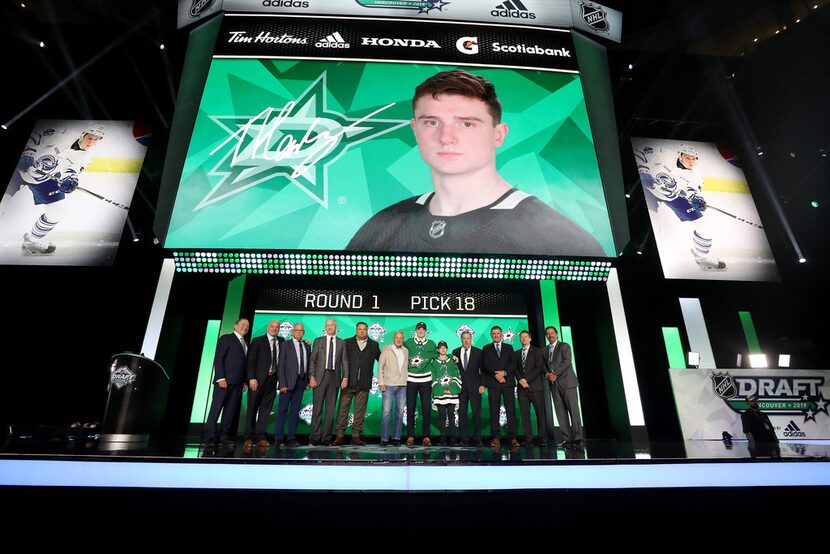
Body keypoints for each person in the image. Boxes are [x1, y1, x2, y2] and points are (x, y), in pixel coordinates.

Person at [347, 69, 603, 256]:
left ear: (498, 134)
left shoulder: (563, 239)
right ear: (415, 130)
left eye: (467, 123)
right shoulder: (382, 226)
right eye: (432, 122)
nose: (446, 138)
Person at [11, 123, 105, 255]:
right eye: (90, 137)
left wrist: (70, 181)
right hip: (18, 168)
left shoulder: (87, 156)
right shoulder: (63, 133)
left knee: (57, 211)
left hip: (45, 179)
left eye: (97, 139)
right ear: (83, 134)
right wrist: (27, 152)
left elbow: (72, 171)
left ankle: (30, 242)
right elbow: (37, 132)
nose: (92, 142)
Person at [636, 142, 727, 271]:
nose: (691, 161)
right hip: (648, 191)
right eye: (687, 158)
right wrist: (642, 169)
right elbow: (639, 150)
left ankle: (701, 258)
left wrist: (697, 200)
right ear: (680, 156)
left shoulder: (696, 175)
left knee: (705, 227)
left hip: (674, 198)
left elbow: (693, 191)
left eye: (694, 158)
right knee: (654, 228)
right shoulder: (662, 154)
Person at [203, 318, 249, 446]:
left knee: (230, 411)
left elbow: (244, 365)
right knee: (216, 408)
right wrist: (220, 378)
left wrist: (244, 381)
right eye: (242, 324)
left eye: (247, 326)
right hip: (224, 382)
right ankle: (209, 434)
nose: (245, 327)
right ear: (235, 325)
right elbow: (219, 358)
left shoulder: (245, 343)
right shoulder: (226, 338)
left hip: (238, 384)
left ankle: (223, 436)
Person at [335, 322, 381, 446]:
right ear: (356, 331)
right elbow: (338, 360)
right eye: (359, 329)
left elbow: (382, 361)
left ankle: (356, 436)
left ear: (367, 331)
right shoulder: (347, 342)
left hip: (364, 384)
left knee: (360, 411)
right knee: (343, 410)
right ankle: (339, 436)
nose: (362, 331)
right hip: (348, 382)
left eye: (364, 329)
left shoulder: (374, 345)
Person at [243, 319, 284, 450]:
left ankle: (261, 438)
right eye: (272, 326)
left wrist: (305, 342)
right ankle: (248, 438)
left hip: (272, 380)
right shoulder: (257, 341)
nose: (274, 329)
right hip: (257, 381)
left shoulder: (282, 342)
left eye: (277, 327)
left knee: (266, 411)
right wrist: (251, 378)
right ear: (268, 327)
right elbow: (250, 361)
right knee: (252, 409)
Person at [308, 318, 349, 446]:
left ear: (336, 327)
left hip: (335, 378)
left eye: (332, 325)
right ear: (325, 327)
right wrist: (311, 376)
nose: (329, 327)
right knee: (317, 409)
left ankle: (326, 438)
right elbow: (312, 360)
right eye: (327, 325)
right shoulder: (318, 341)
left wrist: (345, 377)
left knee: (330, 410)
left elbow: (344, 361)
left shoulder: (342, 342)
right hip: (320, 377)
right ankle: (315, 437)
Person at [543, 326, 583, 447]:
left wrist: (554, 374)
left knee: (573, 410)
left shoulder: (564, 346)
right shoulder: (544, 350)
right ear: (546, 336)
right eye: (548, 334)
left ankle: (578, 438)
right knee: (560, 413)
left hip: (568, 383)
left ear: (557, 334)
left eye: (552, 333)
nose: (550, 335)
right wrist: (548, 374)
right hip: (554, 385)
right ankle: (567, 439)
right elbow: (543, 366)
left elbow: (567, 362)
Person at [481, 325, 519, 448]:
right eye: (493, 333)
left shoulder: (509, 347)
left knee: (510, 410)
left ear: (501, 334)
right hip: (493, 383)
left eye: (498, 333)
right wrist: (496, 375)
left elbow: (513, 363)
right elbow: (485, 365)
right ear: (491, 335)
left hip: (507, 383)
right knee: (494, 410)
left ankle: (513, 437)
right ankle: (495, 437)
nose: (496, 335)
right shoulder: (486, 348)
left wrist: (504, 373)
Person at [274, 321, 311, 447]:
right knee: (282, 410)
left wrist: (306, 381)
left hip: (300, 383)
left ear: (303, 332)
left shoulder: (306, 346)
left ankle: (291, 438)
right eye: (297, 330)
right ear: (292, 331)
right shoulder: (285, 345)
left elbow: (308, 364)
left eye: (301, 331)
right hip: (287, 383)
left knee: (295, 411)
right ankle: (279, 438)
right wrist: (282, 383)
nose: (299, 332)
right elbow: (281, 366)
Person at [403, 321, 437, 446]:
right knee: (410, 408)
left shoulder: (432, 344)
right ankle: (410, 436)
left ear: (426, 331)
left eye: (423, 329)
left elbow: (440, 355)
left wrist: (452, 357)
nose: (421, 331)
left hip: (426, 380)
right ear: (416, 330)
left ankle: (426, 436)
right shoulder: (408, 342)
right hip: (411, 379)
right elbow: (399, 350)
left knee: (426, 409)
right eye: (419, 329)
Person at [513, 330, 548, 447]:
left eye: (525, 337)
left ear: (530, 339)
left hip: (535, 387)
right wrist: (520, 380)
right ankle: (528, 439)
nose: (523, 339)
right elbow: (515, 369)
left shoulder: (537, 351)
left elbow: (538, 368)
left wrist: (526, 380)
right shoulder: (516, 353)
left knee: (540, 414)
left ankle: (543, 439)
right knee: (525, 415)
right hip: (522, 389)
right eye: (521, 337)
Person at [452, 330, 484, 446]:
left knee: (476, 413)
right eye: (464, 338)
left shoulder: (478, 352)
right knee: (462, 414)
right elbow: (453, 371)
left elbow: (483, 370)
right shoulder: (455, 352)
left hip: (475, 387)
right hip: (460, 388)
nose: (466, 341)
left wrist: (482, 384)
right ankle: (463, 438)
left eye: (468, 338)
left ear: (471, 339)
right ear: (461, 339)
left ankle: (478, 438)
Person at [428, 341, 463, 446]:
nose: (442, 349)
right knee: (442, 416)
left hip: (451, 393)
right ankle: (442, 438)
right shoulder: (434, 362)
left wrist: (451, 389)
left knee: (452, 416)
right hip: (440, 393)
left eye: (444, 348)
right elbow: (433, 377)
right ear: (438, 350)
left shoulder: (452, 361)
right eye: (440, 348)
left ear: (447, 349)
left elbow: (456, 375)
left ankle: (453, 438)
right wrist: (440, 390)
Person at [378, 331, 409, 447]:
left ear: (403, 338)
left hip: (402, 386)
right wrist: (381, 382)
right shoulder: (386, 350)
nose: (399, 340)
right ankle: (384, 438)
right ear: (393, 338)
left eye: (401, 338)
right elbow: (380, 366)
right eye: (397, 338)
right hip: (388, 385)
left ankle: (396, 438)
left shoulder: (406, 351)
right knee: (386, 413)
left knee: (400, 413)